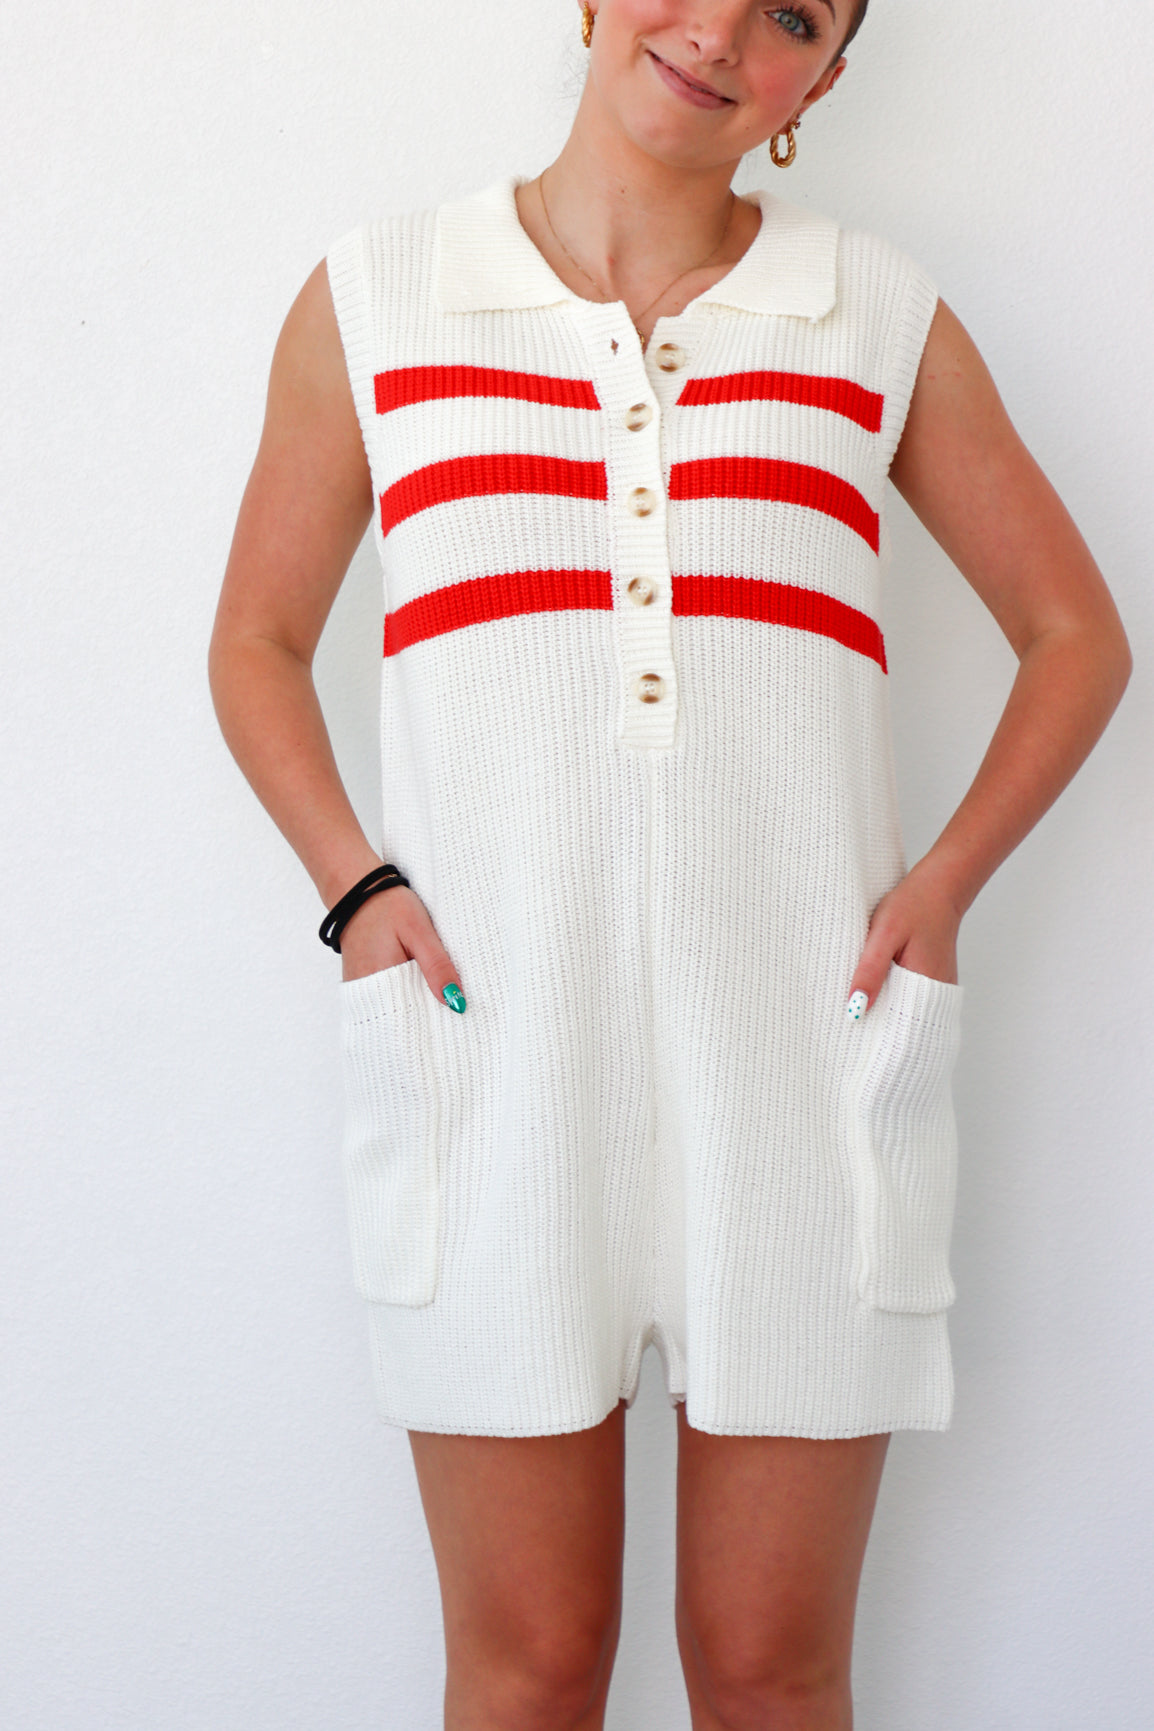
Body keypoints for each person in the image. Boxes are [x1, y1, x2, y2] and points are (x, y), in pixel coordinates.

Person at [208, 2, 1131, 1726]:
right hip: (496, 1063)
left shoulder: (872, 311)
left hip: (803, 1068)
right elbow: (255, 639)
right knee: (528, 1672)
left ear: (819, 83)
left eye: (790, 15)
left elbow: (1075, 636)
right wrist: (355, 891)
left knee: (771, 1675)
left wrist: (938, 888)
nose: (716, 32)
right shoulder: (380, 294)